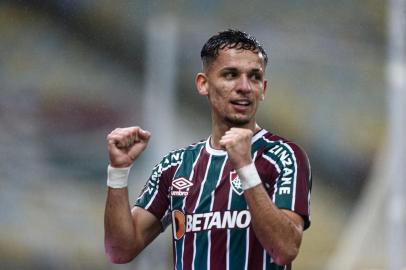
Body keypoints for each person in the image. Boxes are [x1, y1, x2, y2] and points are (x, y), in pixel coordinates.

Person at [104, 29, 312, 270]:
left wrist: (245, 167)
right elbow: (119, 250)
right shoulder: (176, 166)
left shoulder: (284, 156)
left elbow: (285, 250)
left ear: (263, 89)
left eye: (254, 77)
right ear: (203, 84)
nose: (244, 86)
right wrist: (118, 171)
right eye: (231, 75)